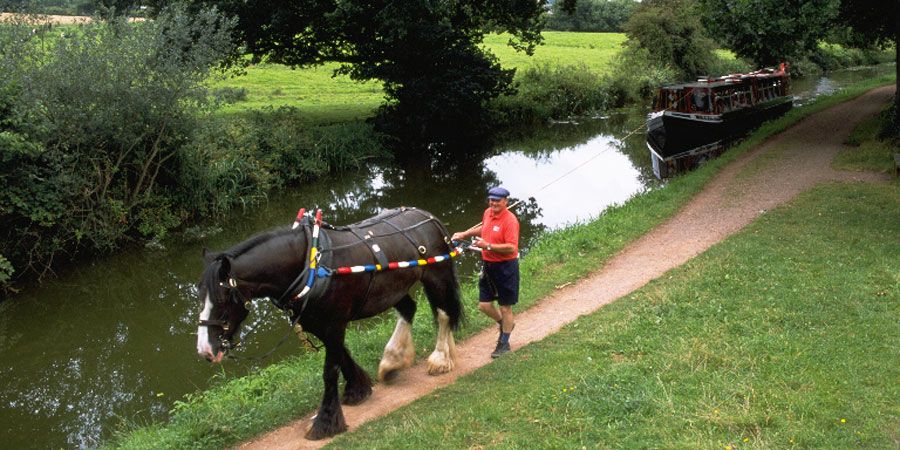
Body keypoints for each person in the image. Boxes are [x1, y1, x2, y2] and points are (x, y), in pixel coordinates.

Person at [452, 186, 520, 358]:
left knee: (505, 307)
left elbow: (511, 247)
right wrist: (465, 234)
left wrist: (487, 246)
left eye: (497, 200)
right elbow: (484, 228)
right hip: (488, 265)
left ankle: (504, 343)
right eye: (491, 199)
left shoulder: (510, 221)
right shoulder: (488, 213)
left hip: (506, 267)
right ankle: (505, 324)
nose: (493, 203)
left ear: (506, 201)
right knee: (484, 305)